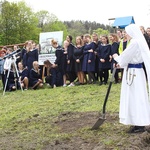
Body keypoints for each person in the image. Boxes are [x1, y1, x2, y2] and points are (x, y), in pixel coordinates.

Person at [113, 24, 150, 133]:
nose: (125, 34)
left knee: (136, 97)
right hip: (135, 72)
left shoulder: (134, 42)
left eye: (126, 32)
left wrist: (116, 57)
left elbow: (125, 57)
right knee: (135, 97)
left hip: (134, 74)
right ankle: (137, 122)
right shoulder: (136, 42)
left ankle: (139, 123)